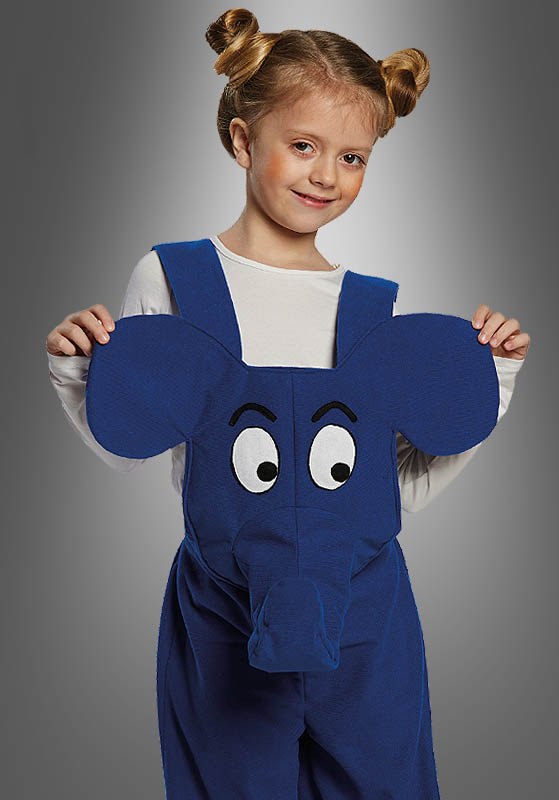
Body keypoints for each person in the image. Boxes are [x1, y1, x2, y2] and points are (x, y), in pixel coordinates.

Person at [45, 8, 530, 798]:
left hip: (367, 621)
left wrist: (493, 381)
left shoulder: (370, 309)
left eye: (351, 156)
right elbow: (128, 444)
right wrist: (76, 371)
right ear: (242, 140)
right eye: (302, 146)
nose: (325, 175)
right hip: (223, 617)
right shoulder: (170, 279)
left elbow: (397, 490)